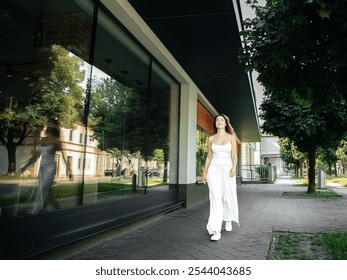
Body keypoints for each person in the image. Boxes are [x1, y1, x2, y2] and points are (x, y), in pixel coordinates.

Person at [17, 120, 72, 214]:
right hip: (42, 167)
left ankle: (38, 210)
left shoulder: (56, 140)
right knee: (48, 193)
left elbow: (64, 156)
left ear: (55, 128)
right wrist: (25, 167)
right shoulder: (42, 139)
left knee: (43, 188)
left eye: (52, 125)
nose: (49, 126)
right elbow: (36, 156)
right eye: (48, 125)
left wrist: (69, 171)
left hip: (51, 167)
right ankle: (56, 211)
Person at [201, 114, 239, 241]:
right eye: (217, 120)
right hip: (214, 170)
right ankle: (216, 230)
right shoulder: (211, 139)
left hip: (228, 169)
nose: (219, 122)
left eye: (222, 120)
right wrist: (205, 172)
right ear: (215, 123)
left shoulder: (232, 137)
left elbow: (234, 154)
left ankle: (228, 219)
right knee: (215, 198)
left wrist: (233, 167)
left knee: (228, 197)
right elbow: (209, 157)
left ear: (226, 123)